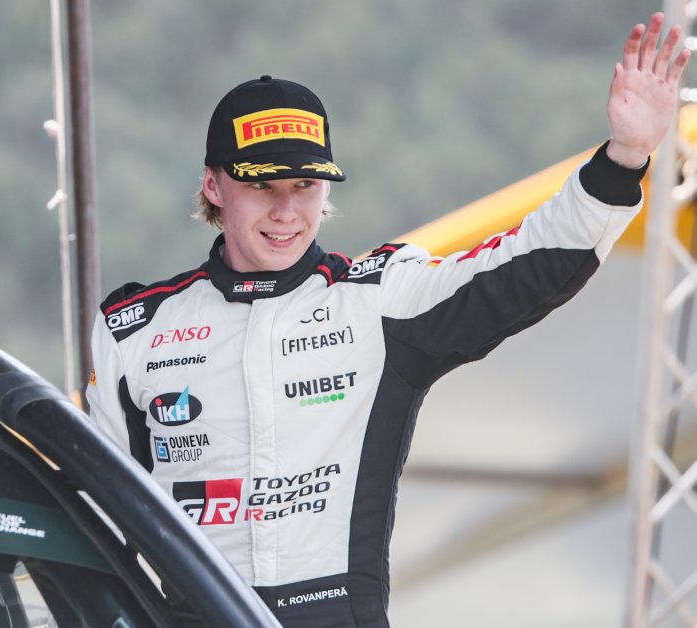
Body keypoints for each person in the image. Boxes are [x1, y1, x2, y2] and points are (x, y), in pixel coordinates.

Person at [86, 13, 689, 627]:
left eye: (306, 185)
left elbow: (528, 264)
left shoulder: (381, 301)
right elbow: (95, 518)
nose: (287, 211)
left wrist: (624, 158)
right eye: (264, 187)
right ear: (214, 187)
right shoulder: (135, 331)